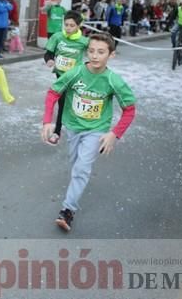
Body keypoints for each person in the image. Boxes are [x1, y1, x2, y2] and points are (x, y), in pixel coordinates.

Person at [41, 32, 136, 232]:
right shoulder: (75, 73)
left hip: (96, 130)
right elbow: (52, 93)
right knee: (76, 164)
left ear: (111, 55)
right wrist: (47, 121)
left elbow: (129, 109)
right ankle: (77, 185)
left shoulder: (113, 81)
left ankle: (68, 210)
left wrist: (114, 134)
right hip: (73, 127)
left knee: (81, 168)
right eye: (91, 51)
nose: (94, 56)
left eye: (101, 52)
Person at [43, 11, 89, 145]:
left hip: (76, 78)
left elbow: (96, 50)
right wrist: (49, 60)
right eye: (66, 25)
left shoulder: (84, 41)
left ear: (79, 26)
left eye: (72, 25)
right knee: (62, 103)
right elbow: (48, 53)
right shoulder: (57, 37)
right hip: (60, 77)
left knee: (75, 104)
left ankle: (81, 130)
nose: (68, 28)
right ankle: (57, 132)